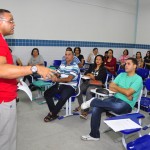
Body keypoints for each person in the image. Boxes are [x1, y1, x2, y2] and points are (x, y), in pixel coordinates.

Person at [0, 9, 56, 150]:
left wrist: (15, 79)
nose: (14, 24)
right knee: (6, 140)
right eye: (11, 20)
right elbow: (1, 69)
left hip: (5, 94)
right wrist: (35, 68)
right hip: (4, 99)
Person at [80, 58, 143, 141]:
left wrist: (121, 90)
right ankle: (94, 135)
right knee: (96, 108)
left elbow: (128, 92)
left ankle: (94, 101)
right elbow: (111, 86)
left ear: (134, 66)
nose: (125, 65)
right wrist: (125, 91)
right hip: (114, 98)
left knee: (117, 107)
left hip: (126, 103)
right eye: (125, 63)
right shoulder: (121, 75)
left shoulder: (138, 79)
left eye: (128, 64)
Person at [44, 47, 80, 122]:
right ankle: (54, 111)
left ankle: (53, 114)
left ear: (73, 56)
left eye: (69, 54)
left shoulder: (75, 66)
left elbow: (69, 79)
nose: (67, 56)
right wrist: (54, 76)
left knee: (63, 97)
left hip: (70, 86)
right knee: (47, 93)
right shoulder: (63, 64)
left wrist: (57, 79)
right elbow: (58, 73)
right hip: (61, 84)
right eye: (66, 54)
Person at [75, 55, 107, 119]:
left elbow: (99, 78)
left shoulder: (103, 69)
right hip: (89, 82)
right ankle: (81, 106)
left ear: (102, 61)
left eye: (99, 59)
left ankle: (86, 111)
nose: (97, 61)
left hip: (98, 84)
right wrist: (91, 75)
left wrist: (91, 75)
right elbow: (86, 73)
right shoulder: (92, 66)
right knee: (78, 89)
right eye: (96, 59)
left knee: (88, 91)